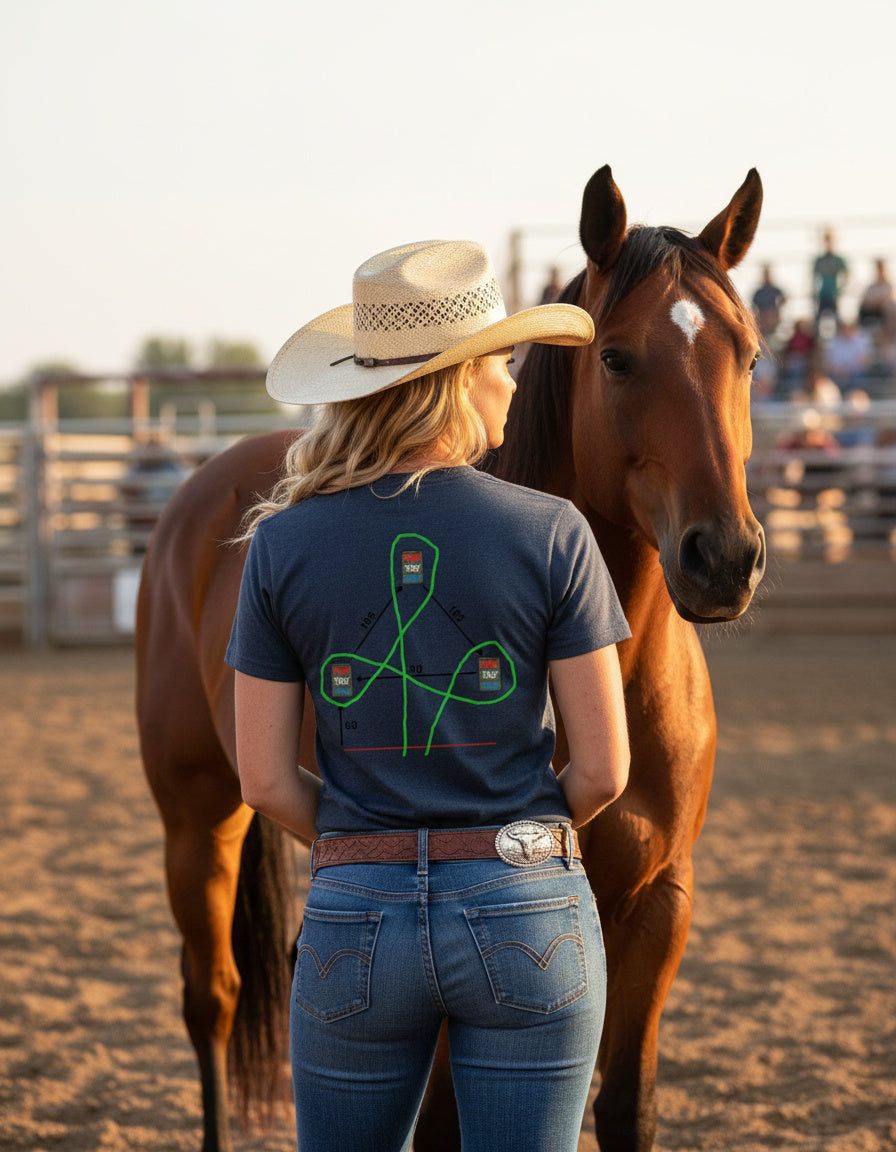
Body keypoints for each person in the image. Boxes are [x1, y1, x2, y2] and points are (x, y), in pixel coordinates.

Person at [225, 239, 631, 1152]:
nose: (518, 385)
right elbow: (603, 770)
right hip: (525, 903)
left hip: (352, 921)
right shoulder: (552, 532)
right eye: (505, 362)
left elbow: (264, 781)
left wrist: (369, 846)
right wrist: (508, 849)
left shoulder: (283, 547)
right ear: (461, 380)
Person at [812, 228, 848, 329]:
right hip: (822, 294)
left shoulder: (838, 260)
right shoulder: (819, 260)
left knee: (837, 320)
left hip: (834, 294)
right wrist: (814, 293)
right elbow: (813, 278)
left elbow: (846, 275)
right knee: (817, 322)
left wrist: (841, 289)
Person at [751, 263, 786, 338]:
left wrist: (775, 313)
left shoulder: (775, 290)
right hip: (762, 320)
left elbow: (784, 300)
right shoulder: (759, 292)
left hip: (773, 319)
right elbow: (753, 306)